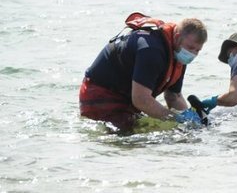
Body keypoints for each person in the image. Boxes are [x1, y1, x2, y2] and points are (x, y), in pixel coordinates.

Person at [79, 12, 207, 131]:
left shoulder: (178, 53)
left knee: (172, 133)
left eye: (197, 50)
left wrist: (190, 121)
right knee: (133, 139)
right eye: (191, 48)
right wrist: (177, 120)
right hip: (100, 97)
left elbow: (174, 97)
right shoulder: (152, 50)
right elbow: (141, 99)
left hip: (128, 100)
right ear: (177, 37)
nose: (193, 53)